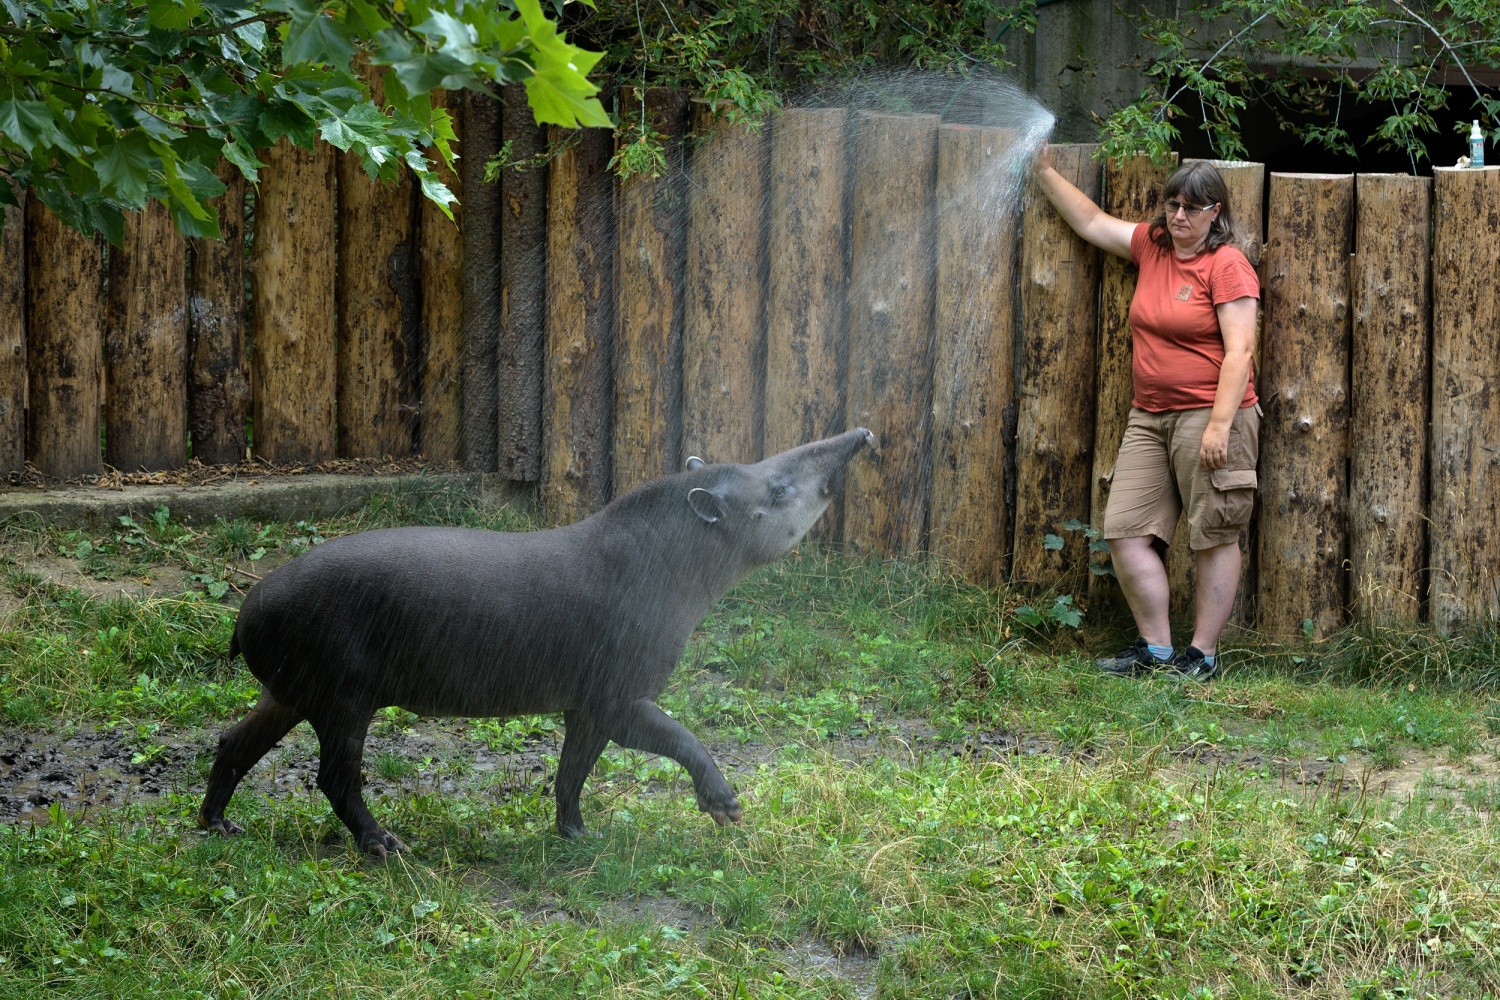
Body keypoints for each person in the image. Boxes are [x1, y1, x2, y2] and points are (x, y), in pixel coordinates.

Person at [1032, 149, 1261, 682]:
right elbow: (1091, 222)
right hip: (1149, 416)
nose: (1179, 216)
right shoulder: (1154, 247)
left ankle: (1202, 657)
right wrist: (1043, 171)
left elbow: (1241, 351)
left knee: (1214, 533)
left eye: (1193, 208)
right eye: (1173, 204)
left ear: (1216, 214)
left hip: (1211, 414)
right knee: (1126, 531)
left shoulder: (1226, 264)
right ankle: (1156, 651)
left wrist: (1220, 426)